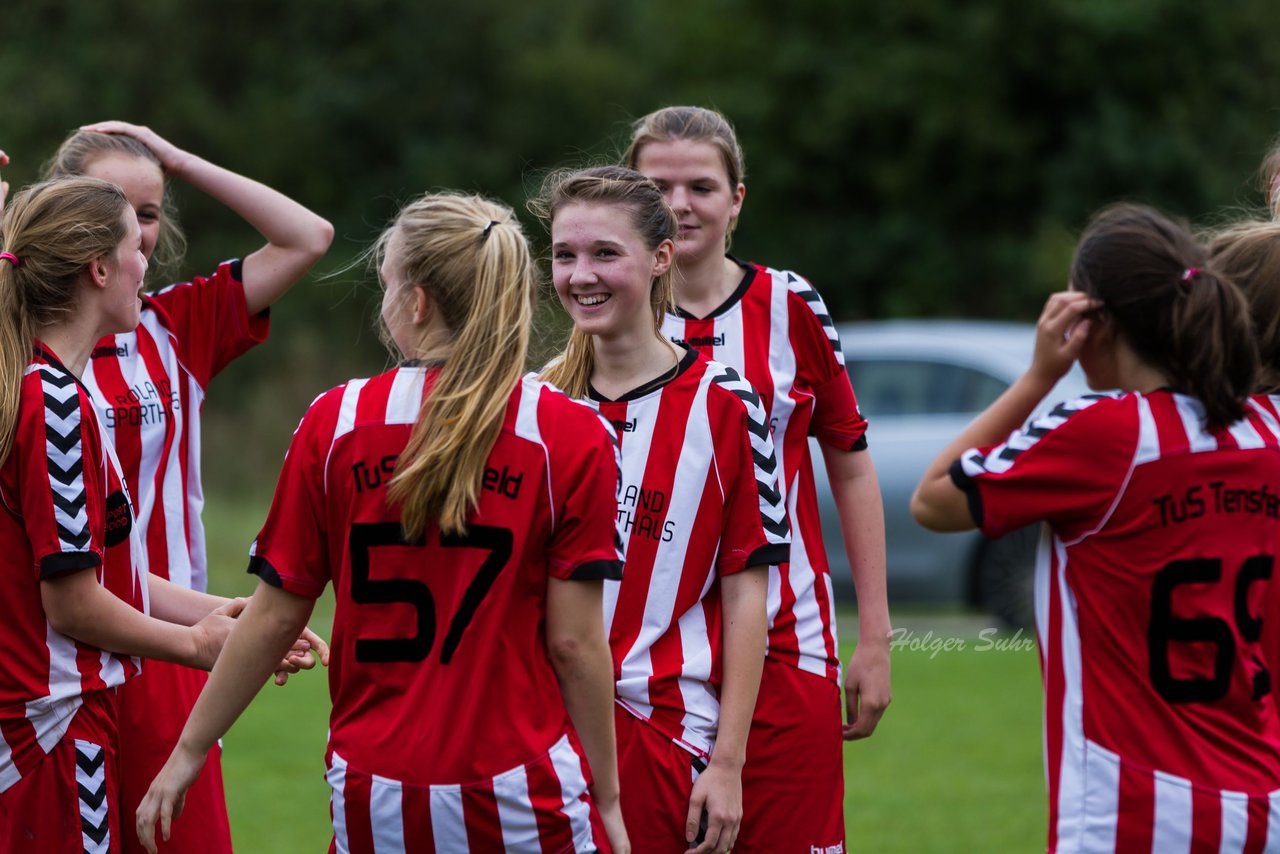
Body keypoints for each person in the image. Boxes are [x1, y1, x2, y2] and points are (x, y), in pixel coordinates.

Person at [136, 191, 628, 854]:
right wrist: (610, 796)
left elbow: (276, 613)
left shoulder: (336, 422)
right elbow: (574, 645)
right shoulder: (570, 433)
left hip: (376, 787)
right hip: (521, 788)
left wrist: (189, 749)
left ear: (418, 301)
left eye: (388, 282)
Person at [912, 203, 1280, 852]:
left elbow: (935, 500)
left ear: (1091, 322)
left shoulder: (1103, 432)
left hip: (1131, 807)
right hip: (1263, 804)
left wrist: (1038, 377)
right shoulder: (1265, 434)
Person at [31, 121, 335, 853]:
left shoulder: (174, 326)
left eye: (150, 213)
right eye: (114, 209)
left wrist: (178, 160)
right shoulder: (28, 370)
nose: (135, 231)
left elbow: (309, 238)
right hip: (61, 648)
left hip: (170, 642)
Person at [624, 104, 890, 851]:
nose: (679, 205)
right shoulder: (607, 314)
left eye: (702, 186)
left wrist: (873, 636)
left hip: (785, 635)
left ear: (737, 199)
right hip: (649, 651)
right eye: (658, 186)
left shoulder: (790, 305)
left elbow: (850, 462)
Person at [534, 165, 783, 853]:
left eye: (605, 254)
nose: (581, 275)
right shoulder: (528, 404)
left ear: (661, 258)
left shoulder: (725, 403)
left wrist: (728, 763)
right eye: (565, 255)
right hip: (535, 734)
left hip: (662, 732)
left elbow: (746, 591)